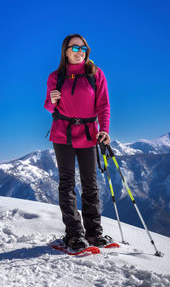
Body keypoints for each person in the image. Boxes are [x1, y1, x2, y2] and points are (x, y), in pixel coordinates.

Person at [44, 34, 111, 251]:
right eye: (75, 47)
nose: (79, 51)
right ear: (65, 51)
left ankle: (94, 233)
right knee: (67, 184)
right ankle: (74, 235)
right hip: (62, 134)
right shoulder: (56, 77)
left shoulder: (95, 74)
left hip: (89, 134)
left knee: (90, 184)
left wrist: (104, 130)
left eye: (83, 48)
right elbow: (49, 106)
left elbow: (103, 105)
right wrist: (51, 100)